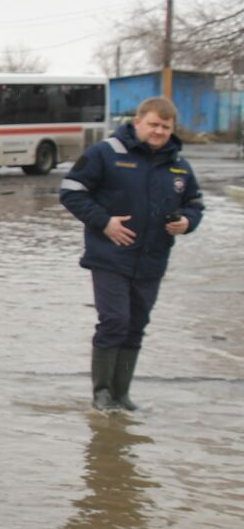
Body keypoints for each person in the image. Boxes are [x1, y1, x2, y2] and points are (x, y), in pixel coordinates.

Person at [60, 96, 205, 411]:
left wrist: (186, 222)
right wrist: (105, 222)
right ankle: (101, 394)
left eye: (165, 127)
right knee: (115, 320)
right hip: (110, 255)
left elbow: (194, 204)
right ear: (137, 122)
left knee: (136, 325)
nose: (159, 132)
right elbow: (71, 192)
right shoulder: (106, 153)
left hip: (152, 260)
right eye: (153, 124)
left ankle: (121, 395)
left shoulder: (179, 164)